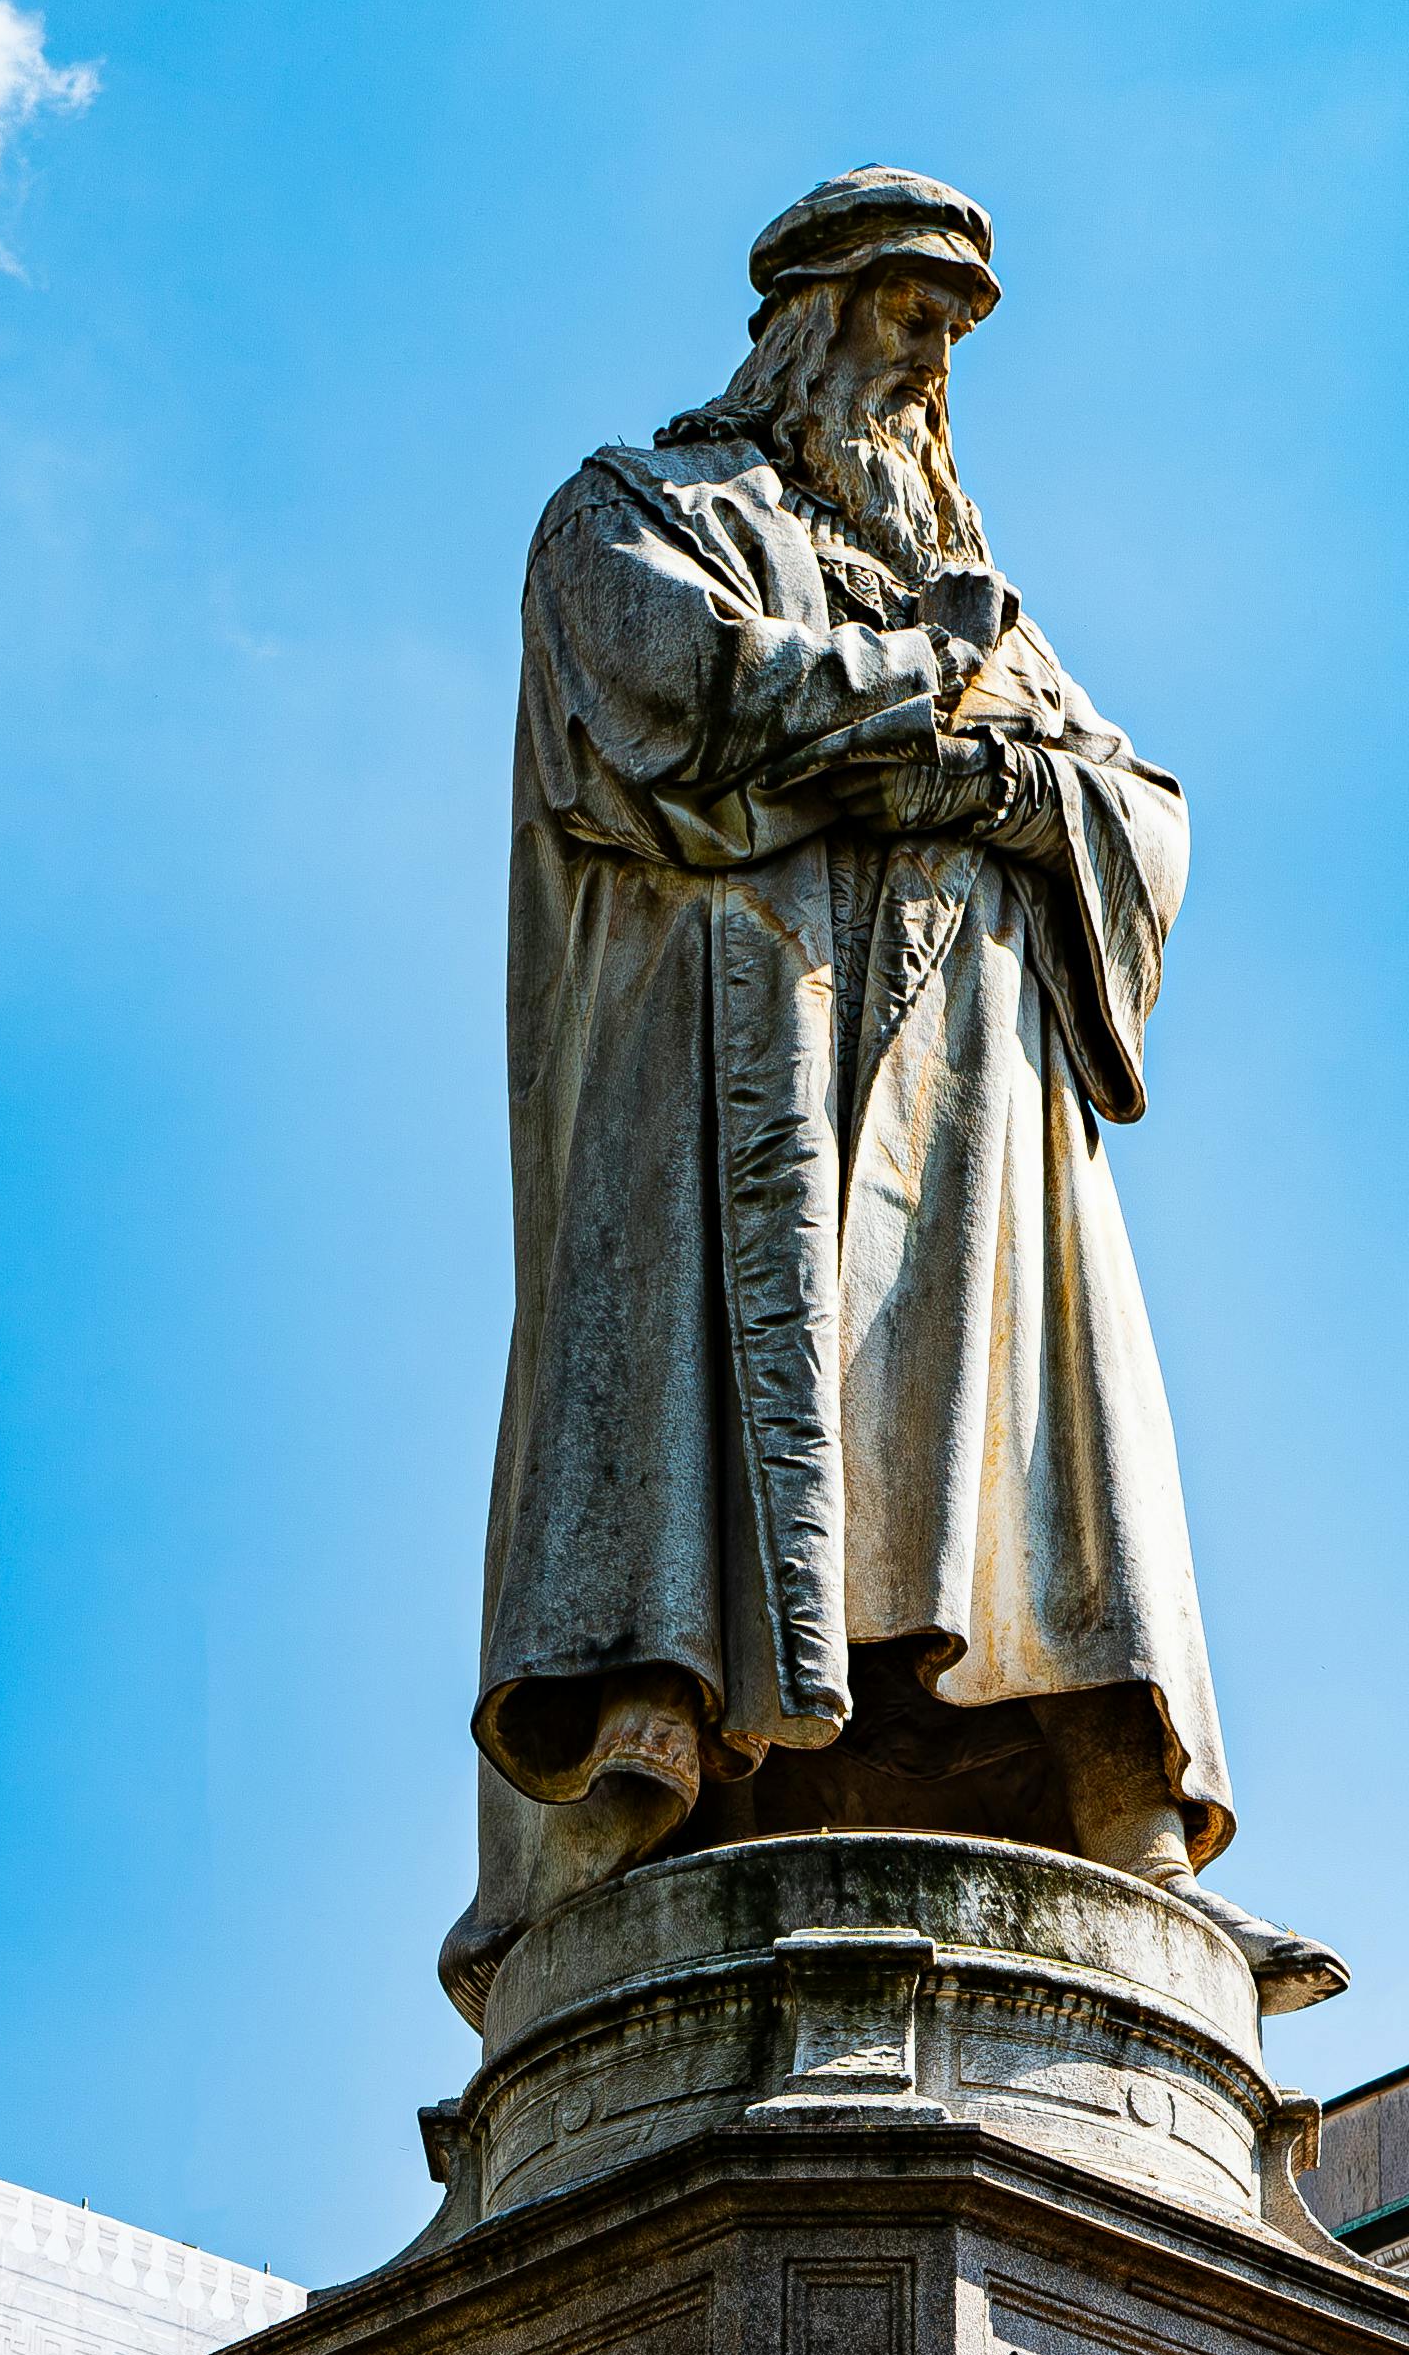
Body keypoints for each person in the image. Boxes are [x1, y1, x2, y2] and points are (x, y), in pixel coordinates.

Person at [446, 167, 1337, 2034]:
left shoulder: (985, 597)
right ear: (804, 320)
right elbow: (680, 708)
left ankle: (1119, 1819)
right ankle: (654, 1724)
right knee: (729, 1401)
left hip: (964, 1104)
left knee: (1017, 1438)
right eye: (900, 319)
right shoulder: (638, 514)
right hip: (733, 1072)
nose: (927, 366)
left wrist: (1010, 794)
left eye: (947, 338)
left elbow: (1129, 804)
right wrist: (928, 688)